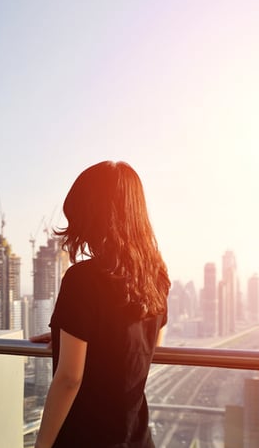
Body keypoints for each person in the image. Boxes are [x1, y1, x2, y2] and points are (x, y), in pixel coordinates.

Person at [31, 161, 170, 448]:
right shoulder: (156, 275)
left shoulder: (82, 279)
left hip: (87, 438)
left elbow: (69, 379)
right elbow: (147, 346)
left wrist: (42, 445)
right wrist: (71, 336)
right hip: (136, 438)